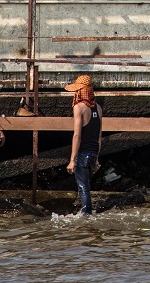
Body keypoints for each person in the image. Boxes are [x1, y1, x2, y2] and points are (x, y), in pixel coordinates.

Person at [65, 74, 103, 215]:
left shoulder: (79, 107)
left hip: (82, 154)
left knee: (83, 187)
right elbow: (98, 135)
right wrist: (97, 157)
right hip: (93, 153)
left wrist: (72, 160)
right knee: (87, 185)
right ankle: (87, 212)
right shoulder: (98, 108)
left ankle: (86, 215)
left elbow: (77, 135)